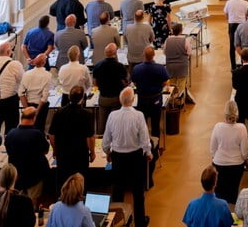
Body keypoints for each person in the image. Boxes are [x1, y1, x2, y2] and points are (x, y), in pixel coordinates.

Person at [102, 87, 153, 227]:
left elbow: (106, 139)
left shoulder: (112, 115)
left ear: (120, 100)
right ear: (133, 99)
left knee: (118, 189)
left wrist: (107, 152)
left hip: (118, 157)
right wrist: (148, 153)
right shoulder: (138, 115)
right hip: (136, 157)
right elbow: (144, 137)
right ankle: (140, 221)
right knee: (138, 190)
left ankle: (118, 220)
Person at [49, 86, 95, 188]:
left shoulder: (59, 112)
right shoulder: (87, 114)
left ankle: (62, 200)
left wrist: (55, 150)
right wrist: (92, 152)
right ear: (83, 98)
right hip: (80, 154)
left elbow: (51, 135)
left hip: (63, 153)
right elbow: (90, 137)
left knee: (63, 181)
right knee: (81, 181)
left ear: (69, 97)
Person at [4, 107, 50, 205]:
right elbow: (46, 151)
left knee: (17, 201)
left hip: (17, 175)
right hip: (34, 174)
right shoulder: (37, 134)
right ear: (34, 118)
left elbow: (8, 151)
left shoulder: (11, 134)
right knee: (33, 199)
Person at [209, 101, 248, 205]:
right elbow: (245, 153)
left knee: (219, 192)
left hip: (219, 164)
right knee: (233, 191)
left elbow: (212, 150)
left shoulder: (217, 127)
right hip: (236, 166)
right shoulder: (242, 128)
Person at [0, 42, 24, 134]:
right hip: (9, 101)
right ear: (9, 51)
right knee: (11, 127)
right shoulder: (14, 64)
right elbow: (22, 79)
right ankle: (8, 145)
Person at [132, 46, 168, 138]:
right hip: (156, 99)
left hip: (142, 100)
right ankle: (155, 148)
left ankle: (143, 146)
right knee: (155, 124)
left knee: (142, 124)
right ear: (154, 55)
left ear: (144, 55)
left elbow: (134, 82)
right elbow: (165, 82)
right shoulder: (160, 68)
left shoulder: (136, 68)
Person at [92, 43, 129, 134]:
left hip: (103, 98)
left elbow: (95, 83)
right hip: (116, 98)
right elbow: (126, 82)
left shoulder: (98, 66)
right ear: (115, 53)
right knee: (116, 122)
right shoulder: (120, 66)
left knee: (103, 123)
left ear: (105, 53)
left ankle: (101, 142)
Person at [20, 54, 51, 132]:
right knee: (40, 128)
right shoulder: (47, 75)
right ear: (44, 62)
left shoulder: (26, 74)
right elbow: (44, 97)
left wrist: (27, 109)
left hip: (28, 103)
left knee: (27, 129)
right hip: (40, 106)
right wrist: (36, 111)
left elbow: (21, 93)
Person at [164, 22, 191, 103]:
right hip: (182, 66)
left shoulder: (167, 40)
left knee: (172, 84)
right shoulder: (185, 40)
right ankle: (180, 102)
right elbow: (189, 52)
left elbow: (165, 52)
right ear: (181, 31)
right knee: (181, 84)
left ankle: (171, 101)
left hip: (170, 66)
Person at [224, 0, 248, 69]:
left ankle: (233, 67)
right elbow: (247, 15)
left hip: (232, 25)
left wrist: (230, 19)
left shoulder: (228, 2)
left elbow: (226, 15)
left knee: (232, 46)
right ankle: (244, 64)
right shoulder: (245, 3)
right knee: (243, 45)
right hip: (242, 25)